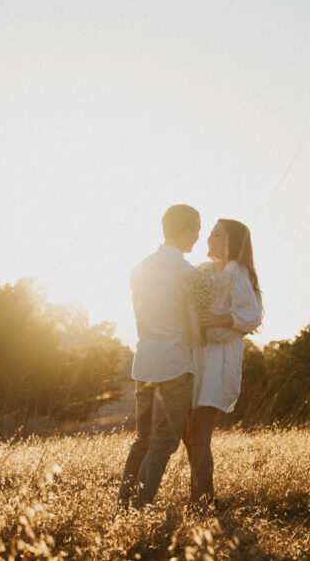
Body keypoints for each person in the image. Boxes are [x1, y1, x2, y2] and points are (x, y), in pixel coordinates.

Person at [118, 204, 201, 509]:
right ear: (186, 231)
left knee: (144, 439)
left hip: (144, 362)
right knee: (165, 441)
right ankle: (140, 506)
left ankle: (122, 503)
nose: (198, 238)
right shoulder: (185, 273)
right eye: (197, 231)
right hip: (174, 365)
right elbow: (195, 324)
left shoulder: (140, 267)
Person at [183, 218, 263, 505]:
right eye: (210, 234)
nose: (209, 239)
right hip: (198, 357)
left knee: (199, 434)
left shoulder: (235, 271)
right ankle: (202, 494)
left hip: (219, 361)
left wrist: (219, 319)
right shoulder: (209, 271)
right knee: (188, 434)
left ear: (232, 242)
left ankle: (202, 501)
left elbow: (252, 315)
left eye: (217, 235)